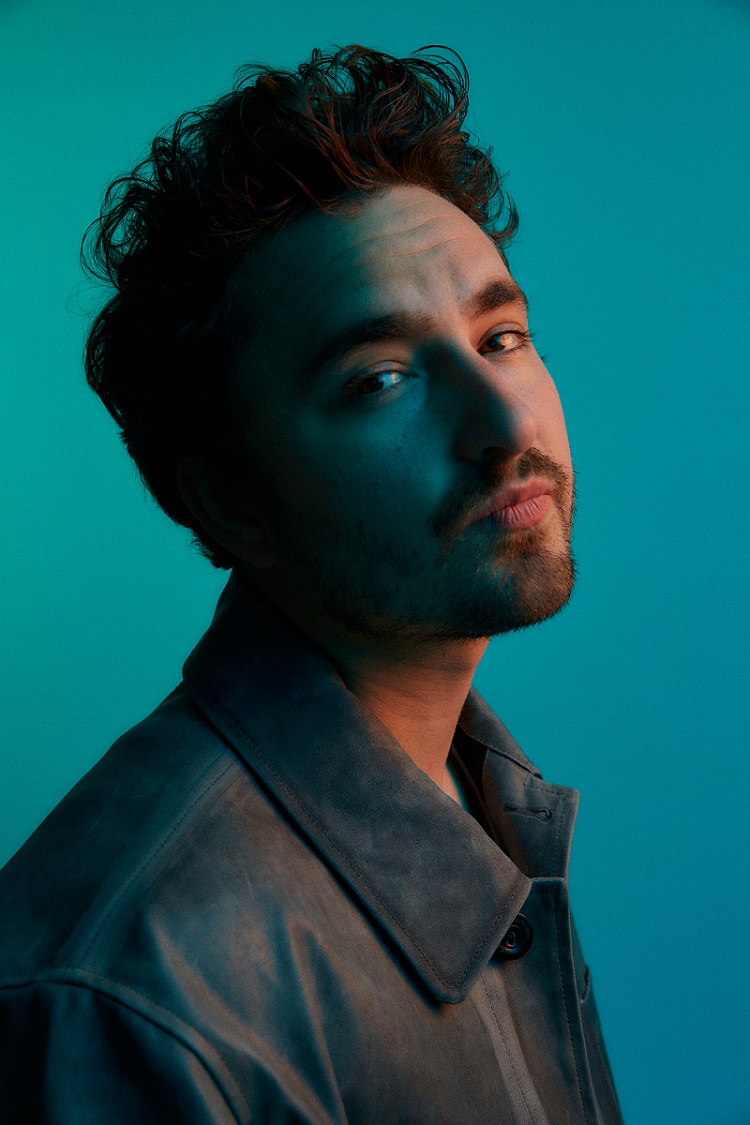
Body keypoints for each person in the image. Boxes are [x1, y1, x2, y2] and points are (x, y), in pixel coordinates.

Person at [0, 44, 623, 1123]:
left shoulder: (483, 795)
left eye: (502, 336)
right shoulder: (136, 996)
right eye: (381, 379)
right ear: (234, 500)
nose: (503, 422)